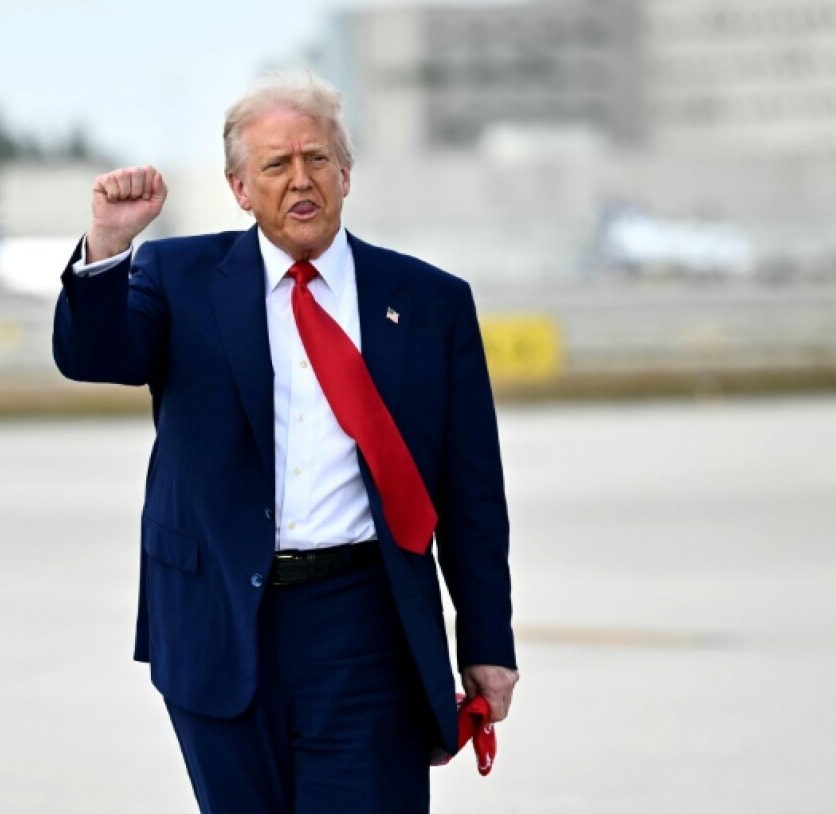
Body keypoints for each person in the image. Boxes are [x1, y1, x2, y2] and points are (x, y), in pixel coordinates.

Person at [52, 72, 518, 813]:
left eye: (317, 159)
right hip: (221, 624)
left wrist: (488, 641)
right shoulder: (180, 279)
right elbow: (94, 355)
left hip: (366, 625)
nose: (300, 180)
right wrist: (109, 243)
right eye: (275, 165)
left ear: (346, 174)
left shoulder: (430, 303)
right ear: (240, 188)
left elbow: (471, 494)